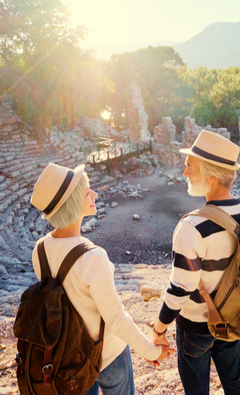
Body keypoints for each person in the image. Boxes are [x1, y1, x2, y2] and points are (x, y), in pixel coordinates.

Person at [149, 131, 240, 395]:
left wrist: (159, 328)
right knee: (234, 381)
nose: (184, 173)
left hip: (195, 329)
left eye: (189, 167)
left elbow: (181, 288)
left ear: (211, 176)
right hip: (234, 317)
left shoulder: (191, 226)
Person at [30, 163, 175, 395]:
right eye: (87, 191)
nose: (94, 194)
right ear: (74, 203)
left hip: (68, 358)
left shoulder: (39, 250)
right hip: (107, 357)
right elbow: (116, 319)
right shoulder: (92, 257)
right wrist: (151, 350)